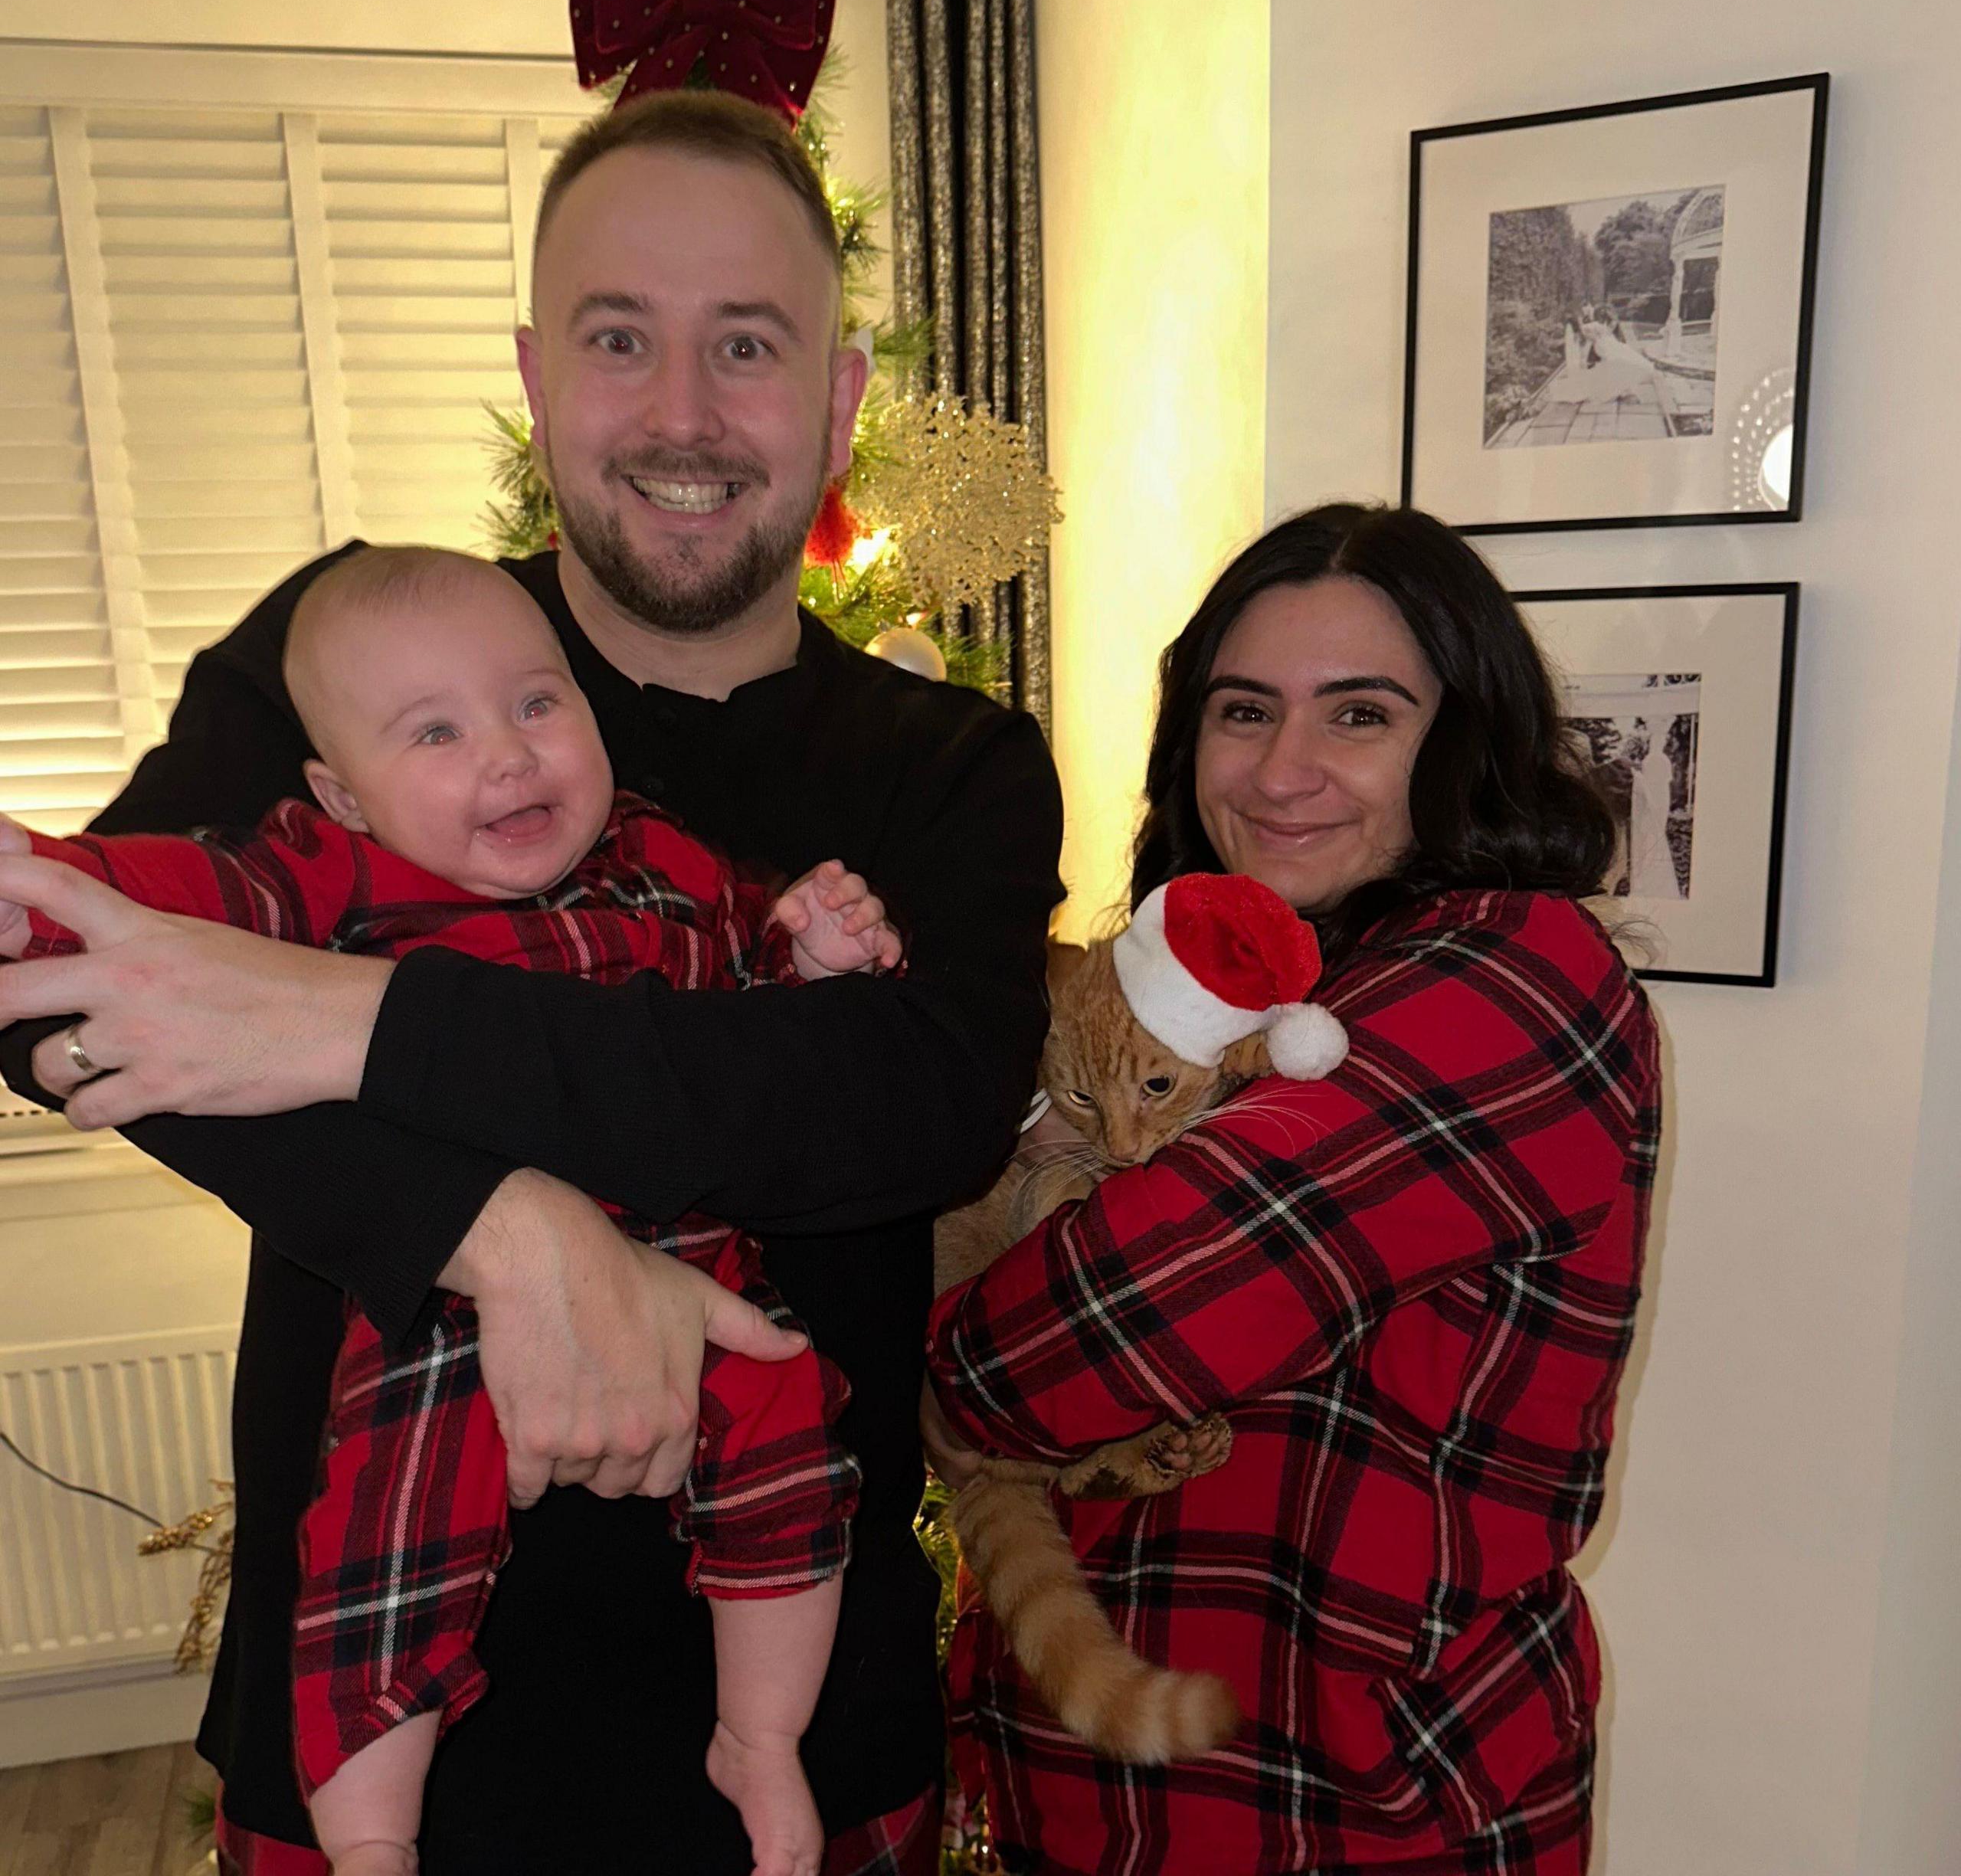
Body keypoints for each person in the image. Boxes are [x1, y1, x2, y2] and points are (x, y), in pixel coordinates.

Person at [0, 90, 1064, 1874]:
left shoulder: (948, 763)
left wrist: (345, 1021)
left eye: (746, 343)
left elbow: (903, 1108)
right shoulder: (348, 660)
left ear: (839, 390)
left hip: (795, 1729)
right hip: (379, 1727)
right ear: (533, 369)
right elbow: (60, 986)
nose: (679, 411)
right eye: (616, 337)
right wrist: (501, 1222)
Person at [2, 543, 912, 1876]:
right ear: (343, 796)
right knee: (389, 1529)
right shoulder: (331, 877)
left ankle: (759, 1739)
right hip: (441, 1298)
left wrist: (812, 949)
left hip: (699, 1268)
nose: (508, 755)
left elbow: (755, 996)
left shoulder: (658, 856)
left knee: (791, 1431)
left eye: (540, 706)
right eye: (435, 732)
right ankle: (372, 1834)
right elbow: (170, 902)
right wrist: (41, 888)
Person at [922, 503, 1659, 1875]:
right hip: (1093, 1780)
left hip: (1351, 1806)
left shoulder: (1505, 975)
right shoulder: (1192, 991)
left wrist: (941, 1364)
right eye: (1244, 710)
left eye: (1362, 716)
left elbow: (1106, 1326)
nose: (1282, 772)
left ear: (1466, 743)